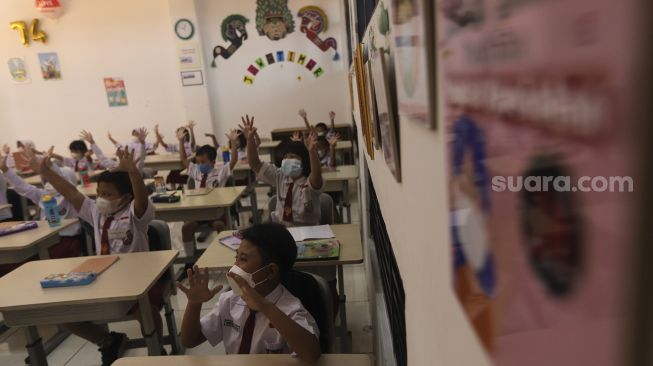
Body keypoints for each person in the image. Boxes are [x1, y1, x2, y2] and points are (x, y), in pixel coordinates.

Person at [26, 146, 163, 365]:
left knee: (147, 311)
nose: (101, 198)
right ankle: (108, 341)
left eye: (108, 194)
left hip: (138, 278)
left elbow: (142, 199)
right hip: (104, 277)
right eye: (99, 193)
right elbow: (70, 192)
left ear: (126, 197)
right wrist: (46, 172)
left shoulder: (135, 214)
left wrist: (133, 173)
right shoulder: (96, 211)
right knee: (67, 317)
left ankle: (157, 348)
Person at [177, 223, 321, 363]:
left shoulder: (290, 309)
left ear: (270, 271)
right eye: (236, 258)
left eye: (243, 259)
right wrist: (194, 303)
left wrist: (264, 305)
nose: (235, 266)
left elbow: (311, 354)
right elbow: (189, 340)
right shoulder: (229, 300)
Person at [0, 154, 83, 275]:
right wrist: (6, 171)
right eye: (46, 179)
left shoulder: (73, 199)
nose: (49, 183)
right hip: (45, 240)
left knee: (29, 264)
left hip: (66, 240)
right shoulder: (43, 195)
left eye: (52, 179)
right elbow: (23, 187)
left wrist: (50, 167)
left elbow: (64, 181)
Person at [243, 115, 322, 226]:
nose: (287, 160)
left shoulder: (309, 180)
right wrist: (250, 139)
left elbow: (317, 176)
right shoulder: (280, 175)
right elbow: (255, 164)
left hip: (307, 231)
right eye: (285, 157)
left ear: (304, 161)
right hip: (282, 230)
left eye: (292, 156)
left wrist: (312, 151)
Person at [179, 128, 239, 259]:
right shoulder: (195, 171)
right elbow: (183, 159)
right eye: (198, 162)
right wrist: (180, 141)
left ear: (213, 162)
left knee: (219, 226)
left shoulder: (221, 172)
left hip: (216, 211)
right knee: (186, 228)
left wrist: (233, 143)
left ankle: (226, 255)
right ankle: (190, 260)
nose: (200, 165)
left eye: (203, 162)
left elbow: (233, 161)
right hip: (199, 211)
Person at [79, 129, 147, 173]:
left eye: (123, 153)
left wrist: (143, 143)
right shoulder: (116, 165)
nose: (119, 153)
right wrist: (92, 142)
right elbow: (102, 157)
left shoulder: (135, 166)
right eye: (119, 152)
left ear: (129, 156)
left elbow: (141, 157)